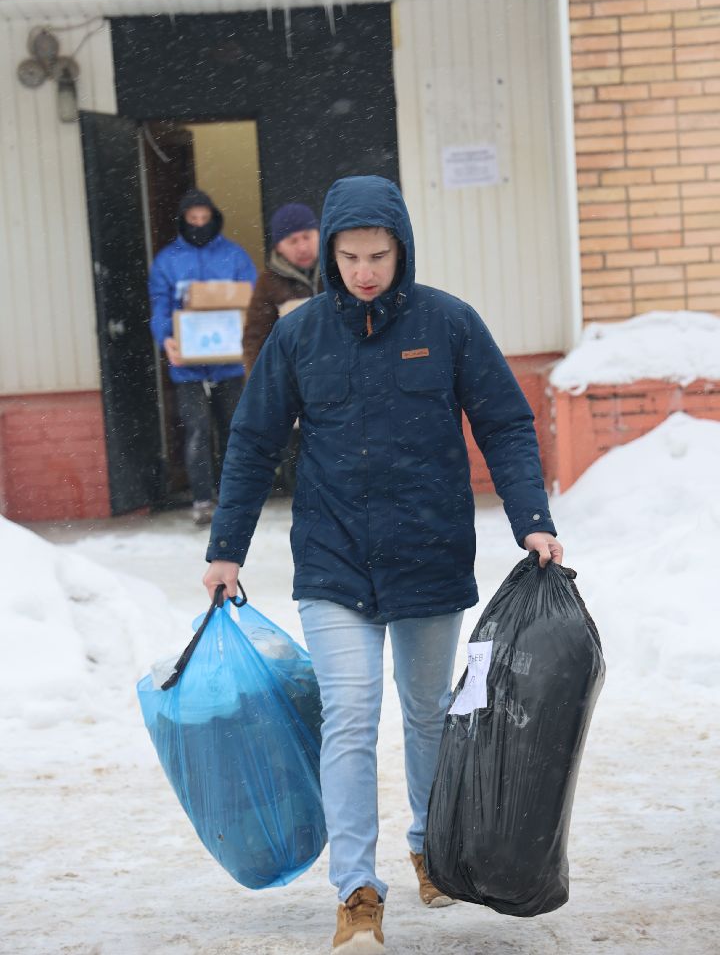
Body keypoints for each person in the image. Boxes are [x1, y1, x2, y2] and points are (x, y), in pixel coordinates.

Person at [203, 176, 562, 952]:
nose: (364, 271)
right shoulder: (300, 335)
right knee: (350, 714)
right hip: (333, 559)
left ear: (402, 250)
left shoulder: (449, 323)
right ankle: (357, 889)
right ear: (329, 255)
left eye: (378, 255)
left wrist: (532, 522)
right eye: (350, 257)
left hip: (429, 551)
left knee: (430, 709)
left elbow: (504, 422)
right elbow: (254, 441)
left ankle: (433, 848)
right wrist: (226, 548)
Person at [148, 189, 257, 525]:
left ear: (214, 218)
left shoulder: (235, 256)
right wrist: (166, 340)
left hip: (229, 364)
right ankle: (202, 501)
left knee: (234, 430)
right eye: (193, 219)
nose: (199, 224)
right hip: (188, 368)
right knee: (197, 431)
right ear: (183, 221)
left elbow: (253, 303)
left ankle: (233, 497)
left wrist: (250, 339)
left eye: (204, 218)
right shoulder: (167, 261)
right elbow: (159, 306)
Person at [242, 202, 323, 377]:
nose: (302, 247)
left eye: (307, 237)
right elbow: (255, 340)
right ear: (278, 247)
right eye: (292, 241)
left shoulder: (338, 270)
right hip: (294, 377)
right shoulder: (268, 283)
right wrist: (262, 383)